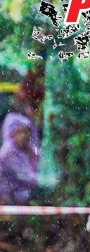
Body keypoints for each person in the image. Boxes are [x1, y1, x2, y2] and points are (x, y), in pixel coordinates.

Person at [0, 71, 43, 206]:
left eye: (26, 132)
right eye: (19, 132)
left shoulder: (28, 149)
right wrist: (46, 181)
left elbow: (37, 164)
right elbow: (25, 177)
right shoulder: (8, 152)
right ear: (12, 134)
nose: (24, 136)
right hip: (12, 197)